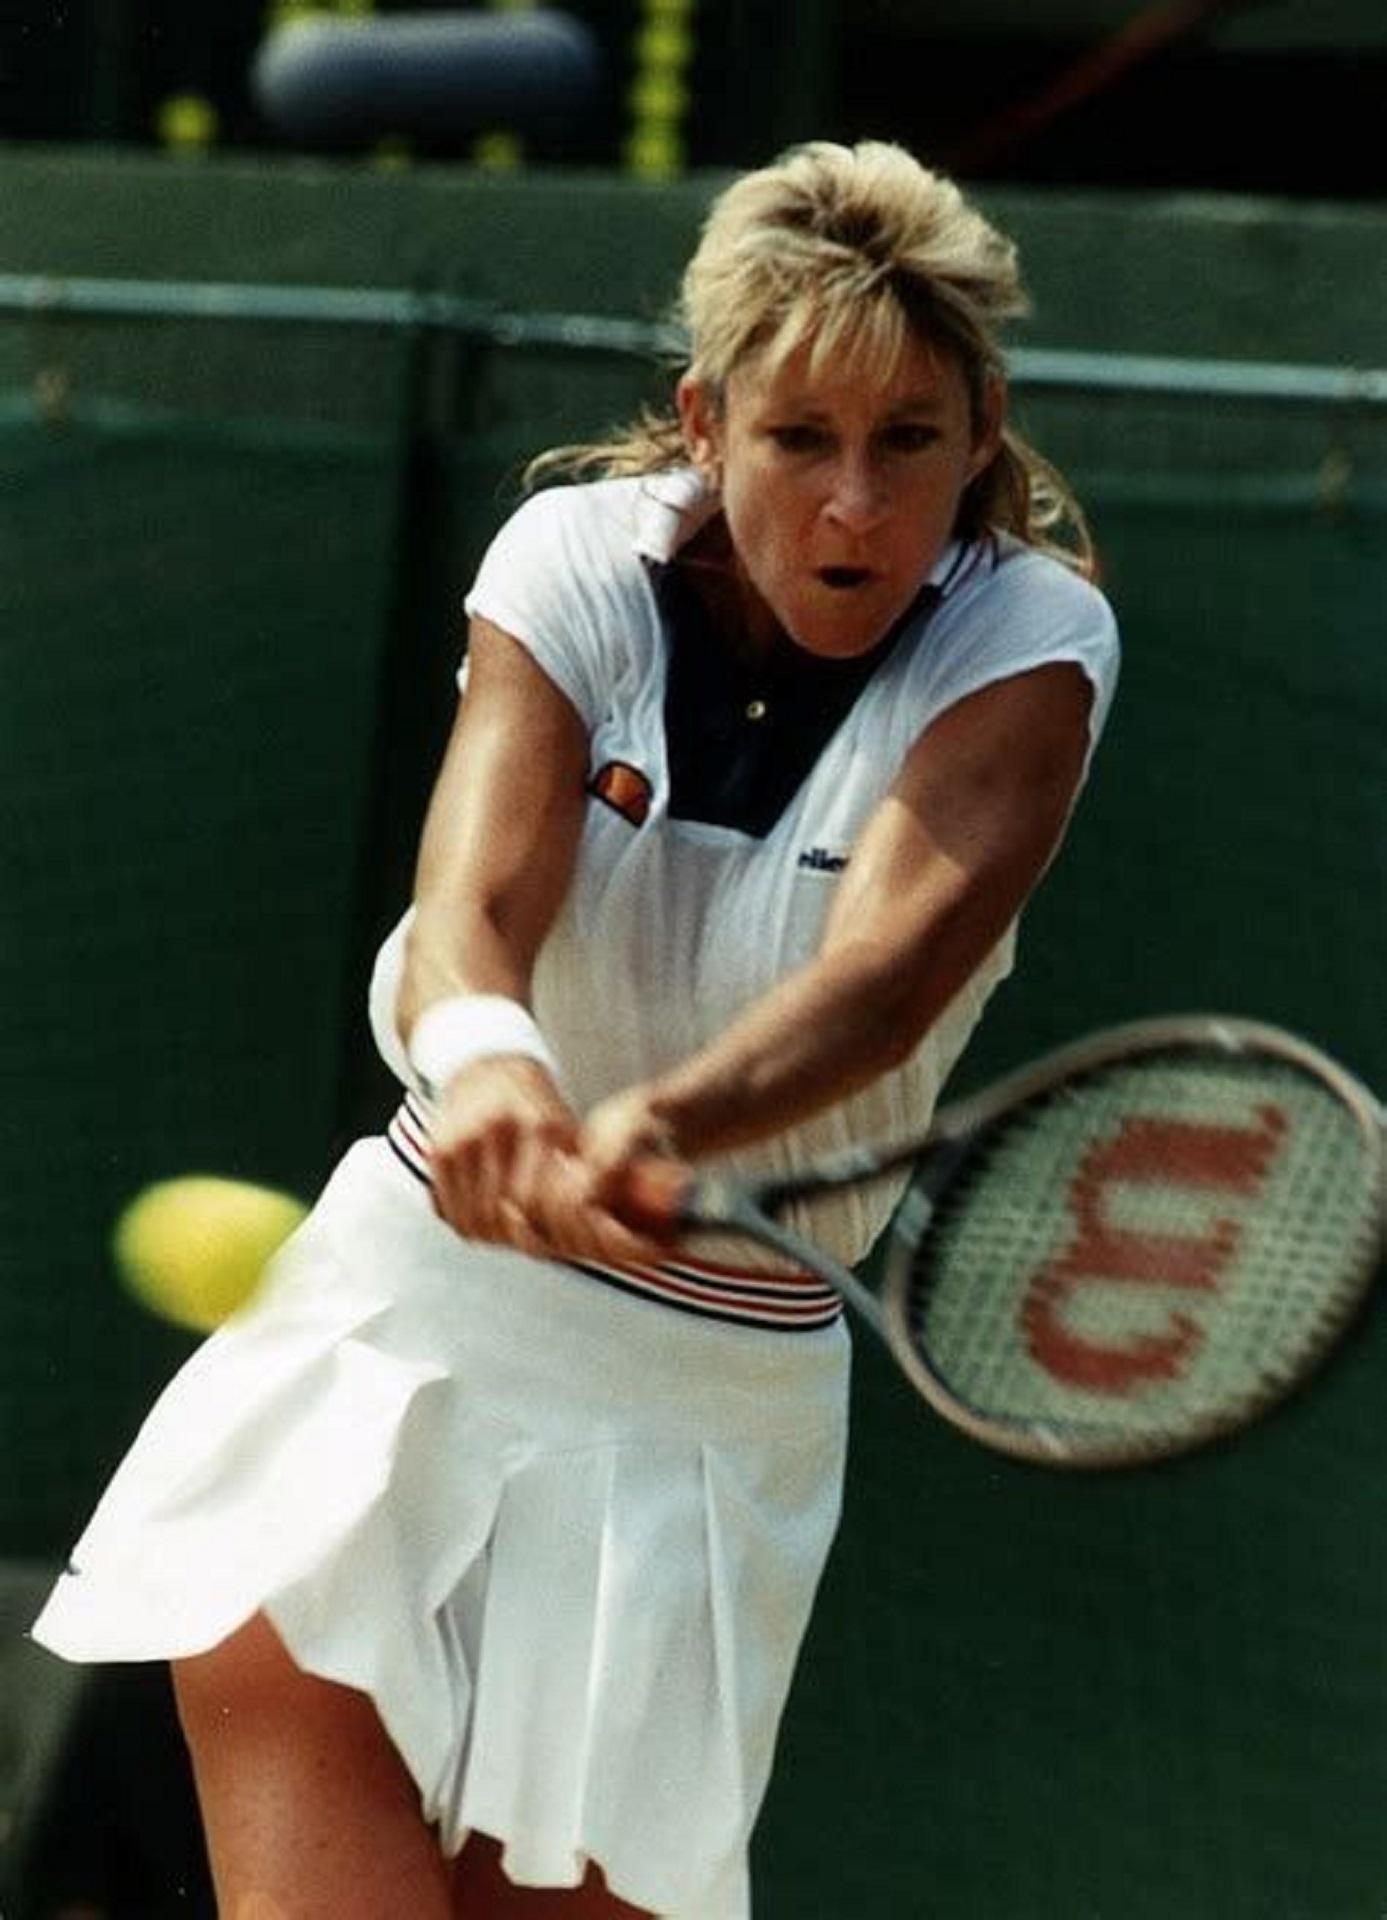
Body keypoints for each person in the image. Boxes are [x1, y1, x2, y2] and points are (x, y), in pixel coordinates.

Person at [31, 139, 1118, 1918]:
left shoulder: (1033, 644)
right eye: (799, 439)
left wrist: (658, 1128)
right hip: (401, 1321)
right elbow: (473, 903)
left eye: (909, 441)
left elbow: (882, 981)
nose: (855, 506)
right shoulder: (573, 560)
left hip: (704, 1413)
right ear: (705, 422)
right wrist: (493, 1075)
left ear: (981, 429)